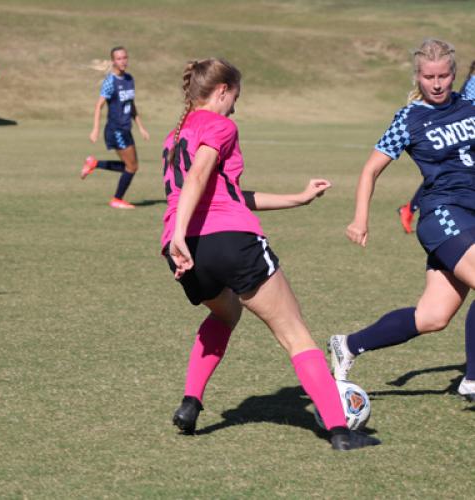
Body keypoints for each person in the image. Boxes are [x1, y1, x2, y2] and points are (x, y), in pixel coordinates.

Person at [162, 58, 380, 451]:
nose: (236, 107)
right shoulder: (220, 124)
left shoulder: (176, 135)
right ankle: (340, 431)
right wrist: (181, 232)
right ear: (223, 90)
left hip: (185, 250)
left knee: (225, 312)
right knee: (295, 332)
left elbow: (224, 193)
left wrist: (298, 198)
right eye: (235, 98)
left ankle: (191, 402)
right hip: (223, 239)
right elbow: (199, 177)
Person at [329, 39, 475, 402]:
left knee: (433, 317)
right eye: (429, 77)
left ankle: (348, 345)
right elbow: (370, 170)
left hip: (470, 218)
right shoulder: (409, 119)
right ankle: (473, 380)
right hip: (443, 215)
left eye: (443, 76)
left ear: (454, 75)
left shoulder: (470, 104)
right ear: (418, 77)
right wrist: (360, 219)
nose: (437, 84)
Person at [397, 60, 475, 233]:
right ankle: (410, 209)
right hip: (461, 136)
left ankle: (409, 208)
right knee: (445, 175)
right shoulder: (473, 84)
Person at [81, 46, 150, 209]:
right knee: (132, 166)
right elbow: (99, 106)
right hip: (116, 129)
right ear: (113, 61)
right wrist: (95, 129)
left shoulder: (129, 79)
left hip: (126, 128)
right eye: (119, 58)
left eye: (125, 57)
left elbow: (131, 104)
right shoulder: (110, 82)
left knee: (131, 166)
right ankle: (117, 199)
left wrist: (141, 126)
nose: (123, 61)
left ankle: (94, 164)